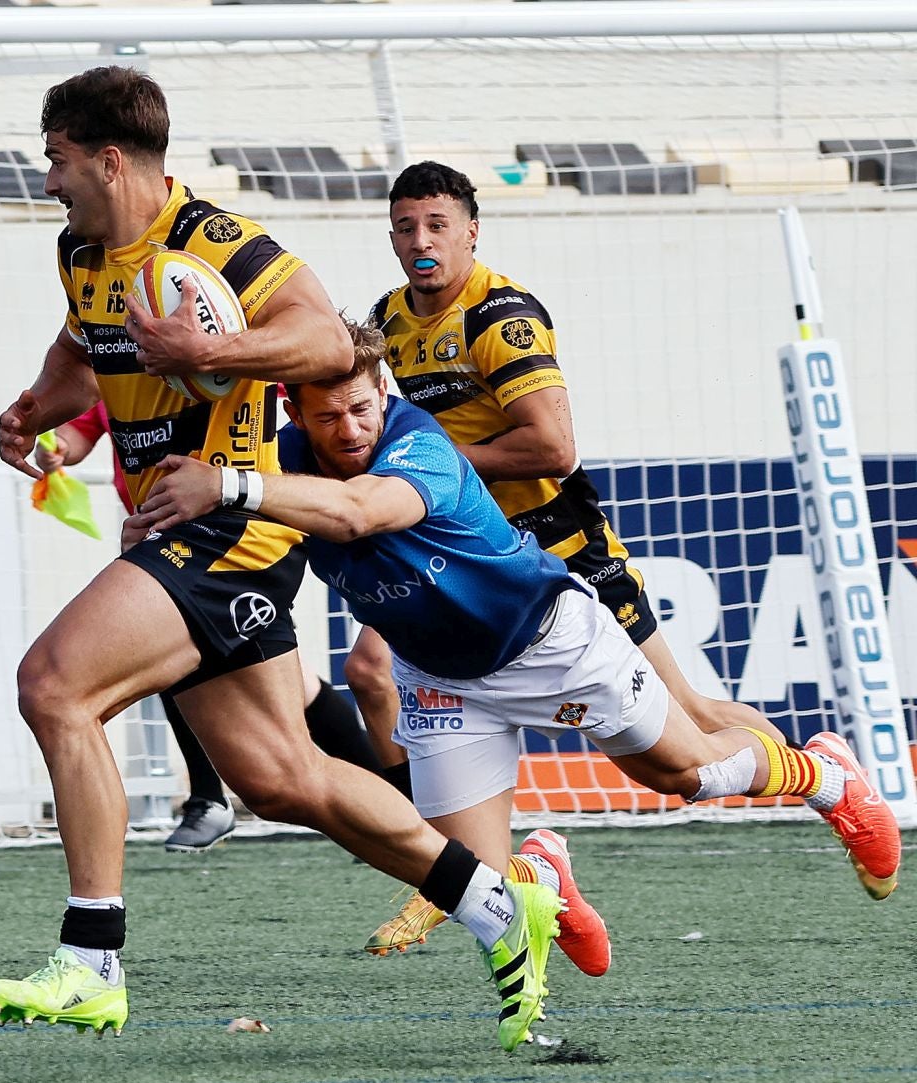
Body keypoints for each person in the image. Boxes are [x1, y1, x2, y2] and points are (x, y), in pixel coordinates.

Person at [0, 66, 563, 1053]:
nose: (50, 181)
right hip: (176, 532)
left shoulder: (215, 243)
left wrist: (214, 350)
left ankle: (92, 960)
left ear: (109, 159)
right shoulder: (83, 249)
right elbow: (85, 345)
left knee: (54, 686)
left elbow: (330, 341)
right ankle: (501, 909)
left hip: (226, 531)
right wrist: (52, 415)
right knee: (281, 778)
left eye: (60, 161)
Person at [131, 320, 901, 984]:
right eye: (329, 415)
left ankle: (822, 772)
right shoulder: (281, 456)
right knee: (465, 875)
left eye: (362, 408)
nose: (350, 429)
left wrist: (229, 486)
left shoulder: (417, 446)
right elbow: (239, 532)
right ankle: (546, 876)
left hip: (548, 641)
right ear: (297, 409)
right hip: (440, 678)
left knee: (687, 772)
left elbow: (360, 514)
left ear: (385, 397)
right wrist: (163, 528)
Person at [349, 160, 817, 953]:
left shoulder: (501, 317)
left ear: (471, 230)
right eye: (404, 226)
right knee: (370, 672)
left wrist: (436, 468)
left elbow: (554, 446)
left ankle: (822, 779)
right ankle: (443, 865)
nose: (420, 242)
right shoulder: (388, 319)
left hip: (557, 547)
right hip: (465, 554)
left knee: (691, 724)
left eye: (436, 225)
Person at [36, 402, 383, 852]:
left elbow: (294, 388)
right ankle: (400, 812)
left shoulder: (219, 362)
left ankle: (402, 813)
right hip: (165, 543)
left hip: (237, 542)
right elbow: (77, 436)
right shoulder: (115, 377)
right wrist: (55, 448)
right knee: (285, 726)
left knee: (290, 757)